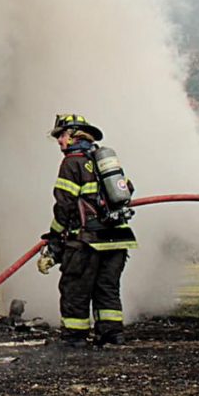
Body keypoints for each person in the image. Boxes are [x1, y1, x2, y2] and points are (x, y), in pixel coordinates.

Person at [40, 114, 137, 347]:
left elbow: (64, 205)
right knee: (107, 289)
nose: (59, 141)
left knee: (75, 288)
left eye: (61, 136)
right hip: (118, 238)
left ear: (73, 135)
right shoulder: (103, 160)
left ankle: (75, 338)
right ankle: (112, 336)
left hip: (88, 240)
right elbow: (127, 189)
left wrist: (54, 240)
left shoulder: (71, 163)